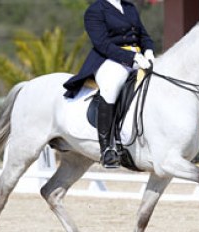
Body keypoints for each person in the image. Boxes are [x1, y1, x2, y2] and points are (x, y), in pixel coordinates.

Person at [63, 0, 155, 168]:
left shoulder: (129, 7)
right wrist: (132, 57)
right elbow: (102, 44)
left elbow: (143, 35)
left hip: (138, 58)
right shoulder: (96, 10)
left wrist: (148, 50)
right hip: (110, 60)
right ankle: (106, 149)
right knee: (111, 88)